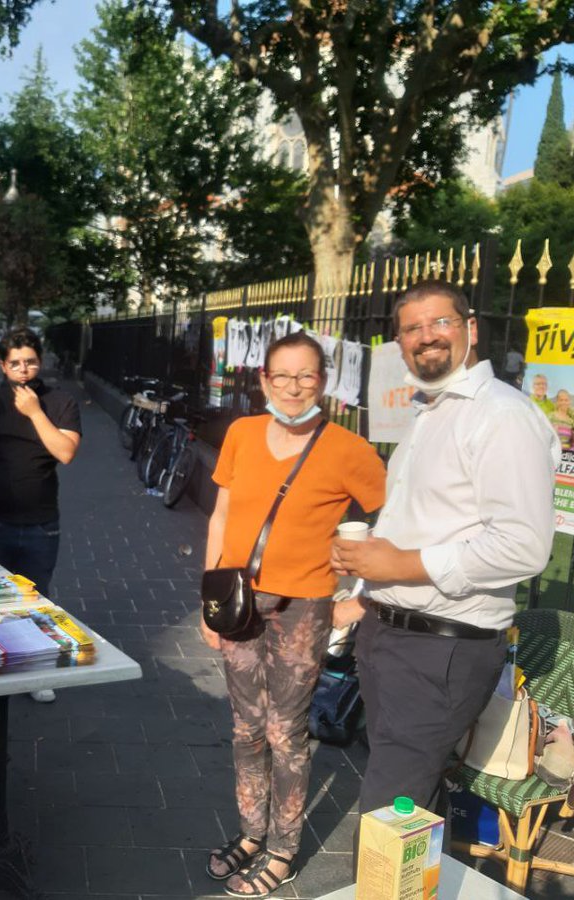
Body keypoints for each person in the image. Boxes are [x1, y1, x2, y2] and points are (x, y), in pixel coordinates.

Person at [332, 280, 558, 861]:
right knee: (411, 802)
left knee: (387, 813)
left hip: (441, 651)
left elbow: (523, 546)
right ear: (399, 342)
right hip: (390, 635)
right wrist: (364, 586)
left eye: (440, 323)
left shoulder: (501, 417)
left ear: (471, 328)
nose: (425, 336)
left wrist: (399, 563)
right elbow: (422, 526)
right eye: (411, 328)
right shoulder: (428, 412)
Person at [200, 331, 386, 898]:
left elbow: (398, 525)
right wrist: (206, 604)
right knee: (244, 729)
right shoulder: (242, 433)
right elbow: (221, 515)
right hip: (237, 602)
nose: (293, 387)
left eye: (306, 376)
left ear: (324, 383)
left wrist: (361, 601)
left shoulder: (350, 450)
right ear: (263, 380)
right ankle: (252, 834)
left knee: (286, 733)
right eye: (282, 376)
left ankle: (283, 849)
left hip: (304, 610)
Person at [0, 327, 81, 706]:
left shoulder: (59, 402)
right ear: (2, 365)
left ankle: (35, 669)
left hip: (42, 522)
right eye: (15, 363)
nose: (23, 369)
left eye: (30, 361)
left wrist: (34, 412)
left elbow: (65, 452)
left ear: (39, 362)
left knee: (35, 599)